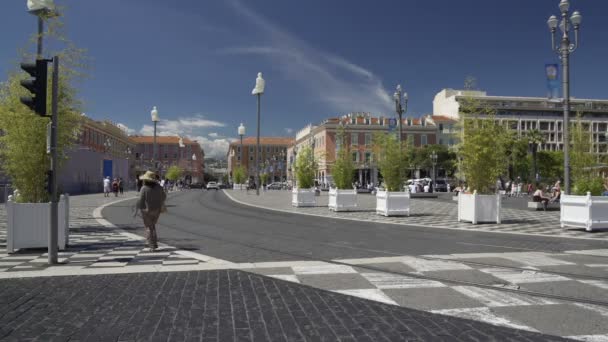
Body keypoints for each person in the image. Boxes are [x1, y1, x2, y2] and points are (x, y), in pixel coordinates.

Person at [136, 171, 167, 251]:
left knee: (149, 228)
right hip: (157, 210)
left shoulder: (144, 188)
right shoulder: (159, 187)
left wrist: (139, 208)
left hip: (147, 210)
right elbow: (164, 196)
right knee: (152, 226)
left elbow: (141, 200)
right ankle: (153, 243)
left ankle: (151, 245)